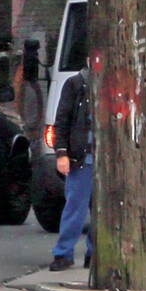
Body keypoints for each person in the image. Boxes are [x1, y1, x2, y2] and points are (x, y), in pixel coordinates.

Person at [50, 66, 93, 271]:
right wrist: (62, 153)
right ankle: (64, 253)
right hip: (83, 158)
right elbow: (62, 120)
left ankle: (94, 253)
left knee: (103, 210)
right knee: (75, 208)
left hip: (103, 159)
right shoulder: (75, 84)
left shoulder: (112, 82)